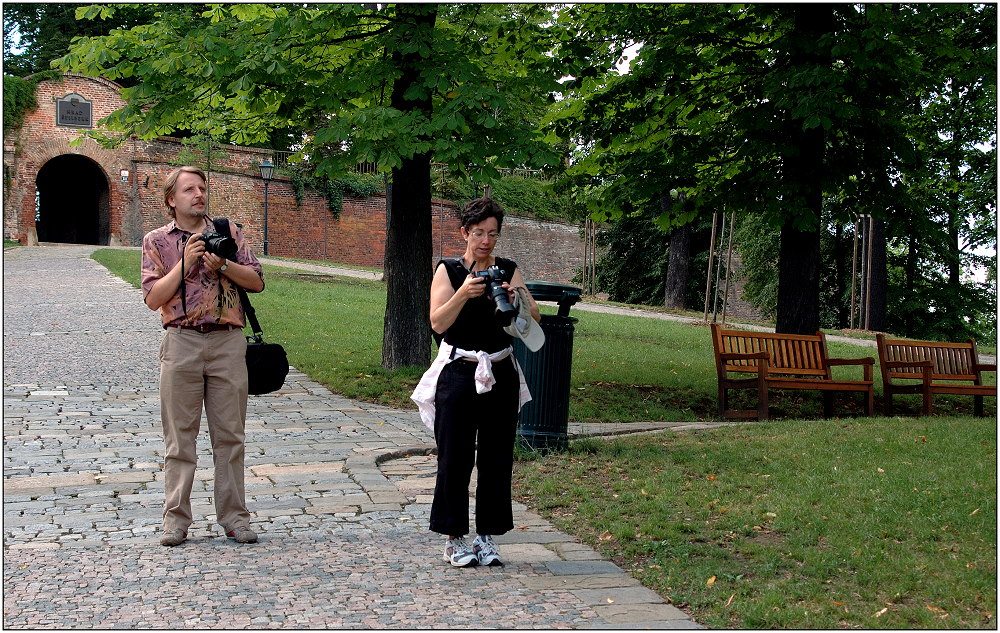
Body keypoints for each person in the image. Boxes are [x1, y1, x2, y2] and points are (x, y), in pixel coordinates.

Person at [411, 197, 542, 567]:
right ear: (465, 233)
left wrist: (520, 299)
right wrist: (464, 294)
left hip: (500, 370)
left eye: (493, 234)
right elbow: (437, 322)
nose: (486, 241)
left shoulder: (508, 269)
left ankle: (487, 536)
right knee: (455, 456)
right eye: (479, 233)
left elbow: (533, 322)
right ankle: (454, 538)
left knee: (497, 457)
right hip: (459, 371)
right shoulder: (449, 270)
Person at [141, 165, 265, 547]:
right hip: (181, 342)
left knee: (231, 436)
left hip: (228, 342)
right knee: (179, 439)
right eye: (189, 189)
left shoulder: (229, 233)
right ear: (171, 200)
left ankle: (234, 518)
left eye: (202, 187)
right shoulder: (156, 240)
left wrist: (224, 264)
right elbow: (152, 298)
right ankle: (175, 520)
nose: (198, 194)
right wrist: (186, 263)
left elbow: (257, 282)